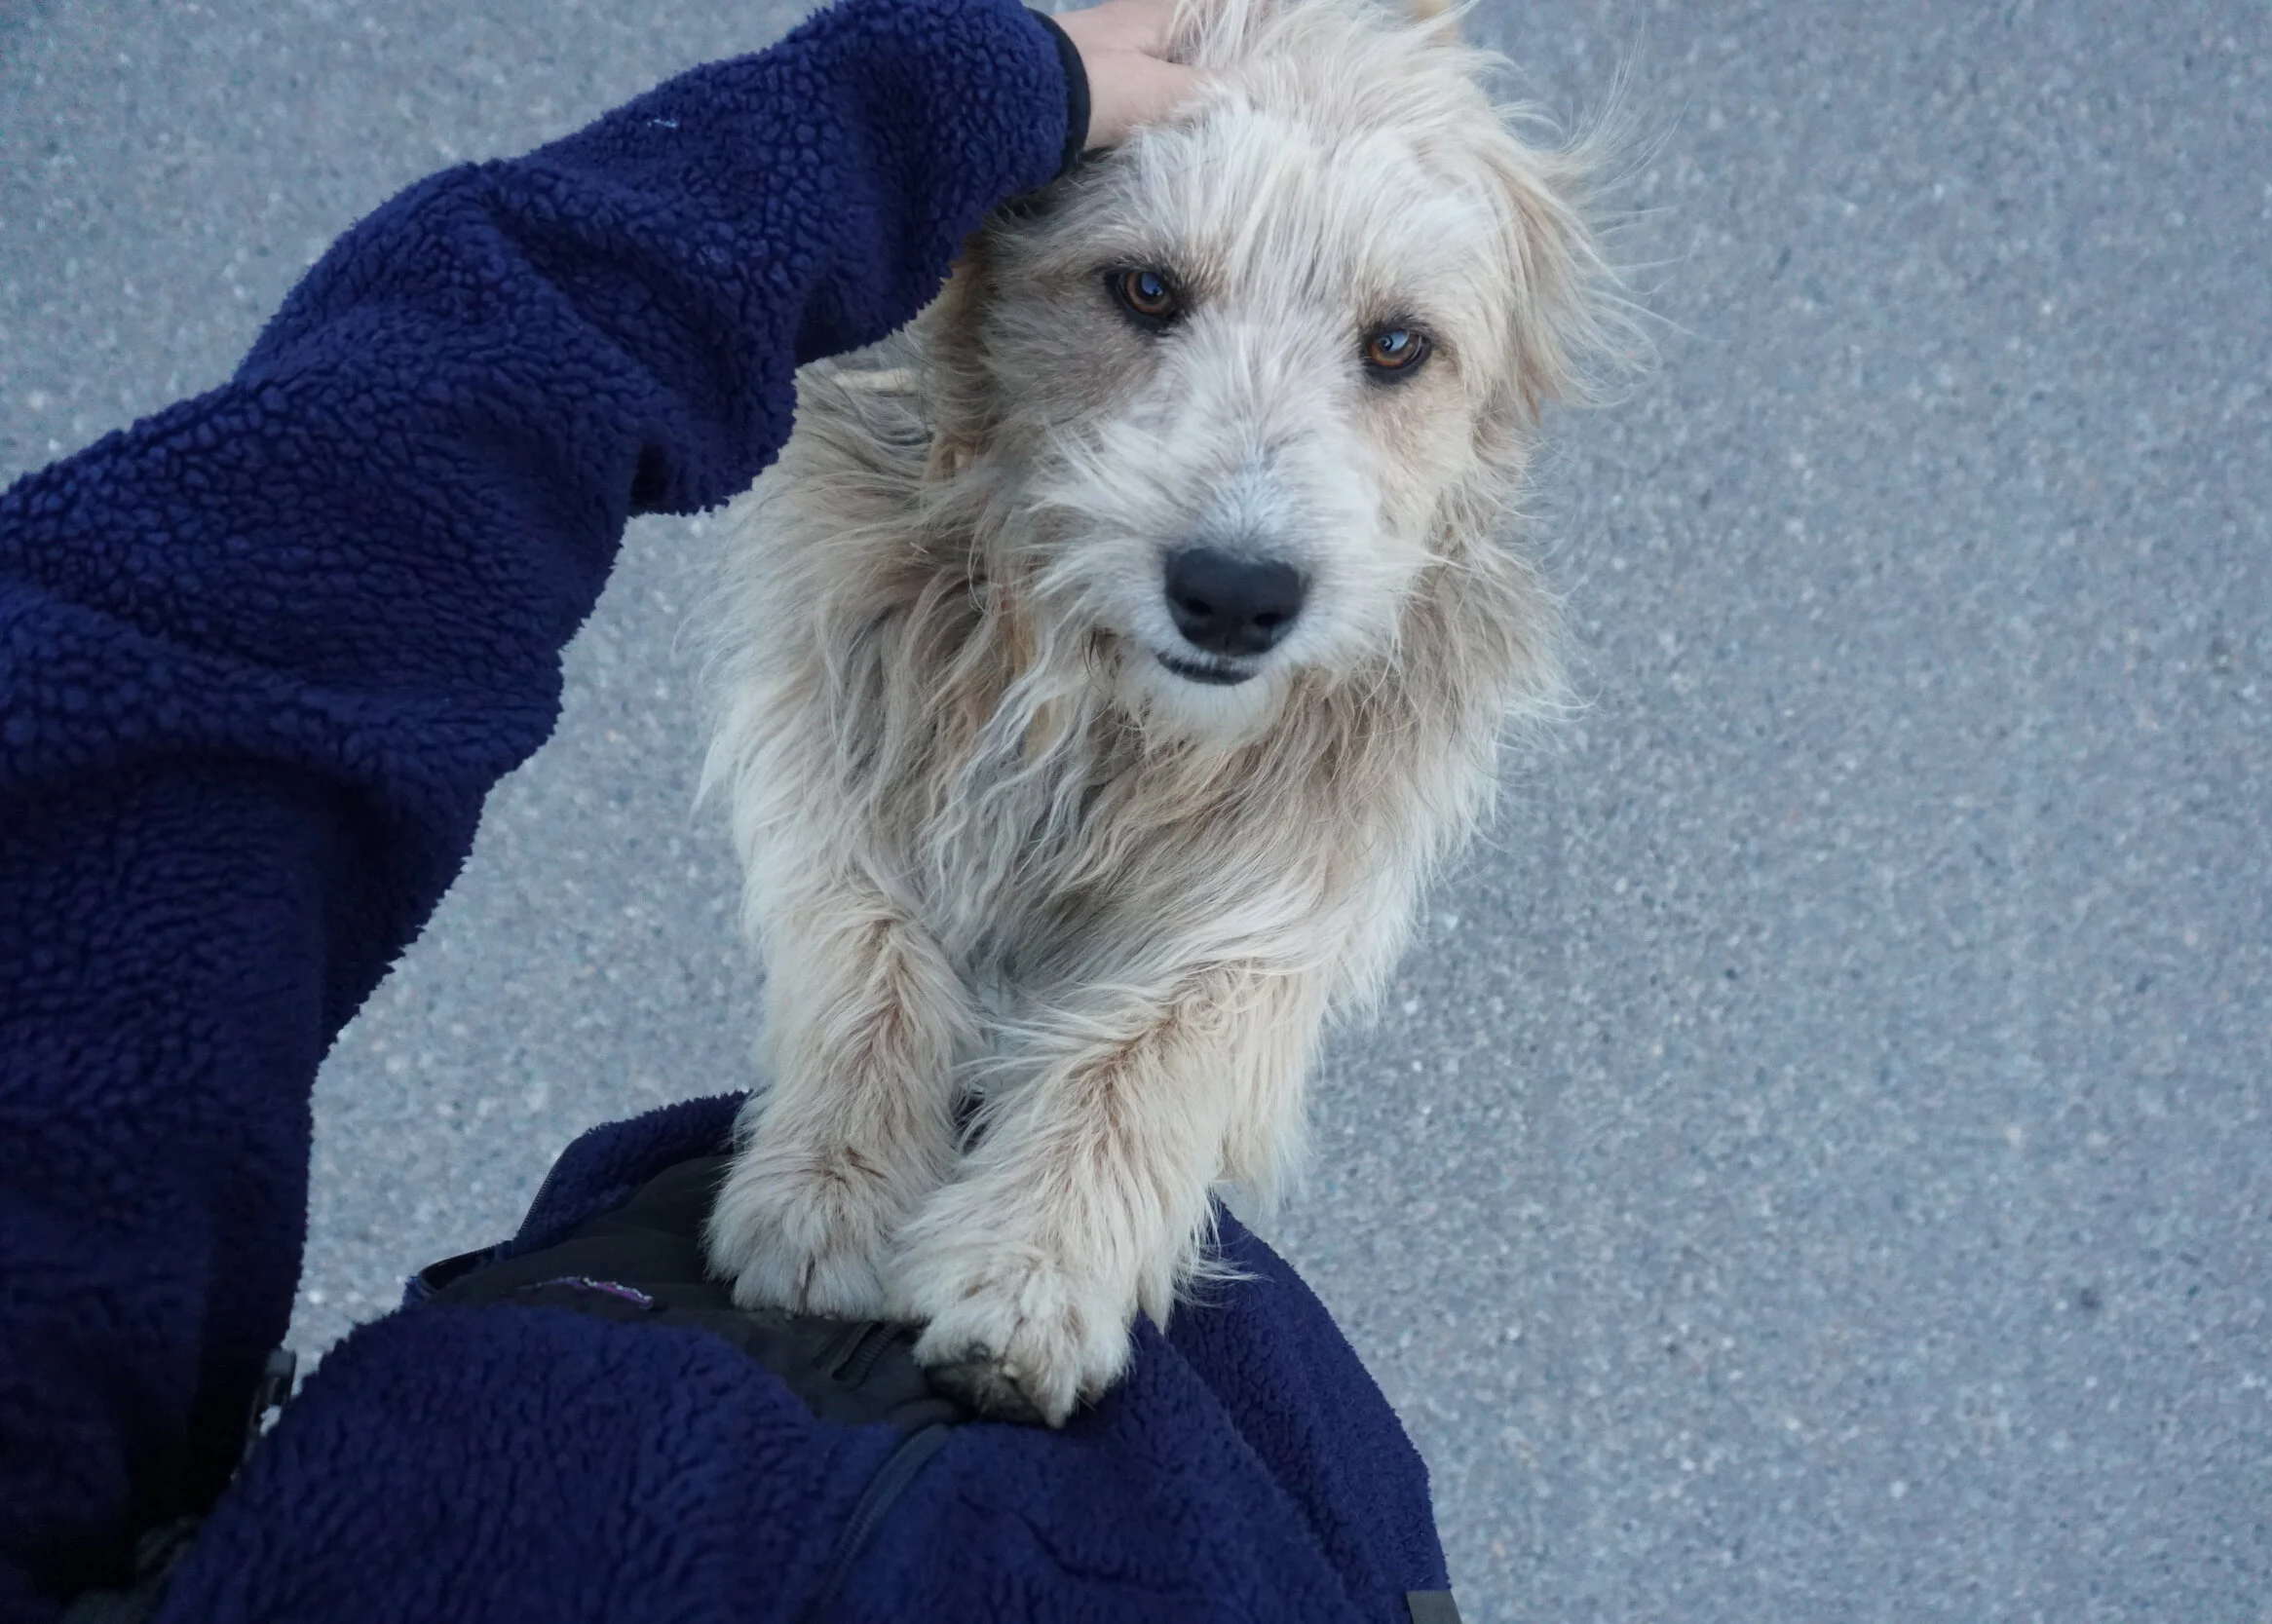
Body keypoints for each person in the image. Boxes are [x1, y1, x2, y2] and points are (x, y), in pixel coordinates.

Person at [0, 1, 1462, 1619]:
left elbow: (183, 664)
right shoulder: (897, 494)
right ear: (983, 292)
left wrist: (862, 131)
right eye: (1143, 292)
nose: (1256, 511)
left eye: (1392, 351)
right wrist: (866, 1040)